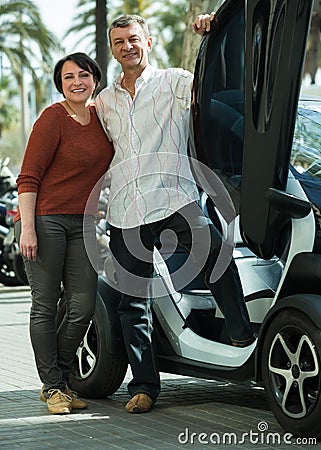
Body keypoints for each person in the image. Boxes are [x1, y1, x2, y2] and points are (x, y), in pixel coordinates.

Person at [95, 13, 255, 414]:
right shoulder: (104, 102)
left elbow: (221, 83)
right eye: (119, 42)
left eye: (134, 39)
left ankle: (239, 333)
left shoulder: (176, 82)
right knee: (133, 302)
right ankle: (145, 386)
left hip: (174, 199)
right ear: (113, 50)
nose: (127, 47)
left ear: (148, 42)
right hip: (125, 211)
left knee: (216, 255)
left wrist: (216, 31)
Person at [14, 52, 114, 414]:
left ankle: (59, 375)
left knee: (83, 305)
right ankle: (55, 386)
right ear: (61, 84)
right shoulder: (52, 119)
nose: (76, 82)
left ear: (95, 80)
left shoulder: (103, 118)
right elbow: (28, 177)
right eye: (68, 77)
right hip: (46, 221)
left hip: (83, 223)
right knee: (44, 305)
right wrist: (28, 229)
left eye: (83, 75)